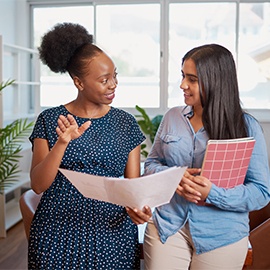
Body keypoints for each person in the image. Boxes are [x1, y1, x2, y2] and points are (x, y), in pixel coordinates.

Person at [28, 22, 151, 270]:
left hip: (112, 234)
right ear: (79, 83)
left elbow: (133, 188)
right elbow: (38, 185)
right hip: (57, 232)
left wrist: (137, 210)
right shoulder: (51, 120)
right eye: (104, 80)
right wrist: (62, 143)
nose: (113, 84)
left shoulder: (125, 123)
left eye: (115, 75)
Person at [143, 44, 270, 270]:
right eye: (183, 76)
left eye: (192, 79)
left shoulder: (246, 127)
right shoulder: (172, 117)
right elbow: (151, 164)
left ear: (215, 81)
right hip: (169, 226)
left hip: (223, 235)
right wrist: (174, 177)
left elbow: (261, 192)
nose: (183, 85)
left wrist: (213, 193)